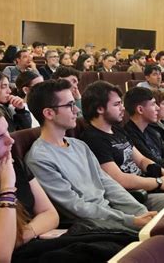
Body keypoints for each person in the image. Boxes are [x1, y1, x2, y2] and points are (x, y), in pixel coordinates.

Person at [25, 80, 155, 231]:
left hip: (115, 215)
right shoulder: (40, 159)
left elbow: (108, 184)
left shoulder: (79, 145)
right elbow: (75, 207)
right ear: (49, 113)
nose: (76, 111)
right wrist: (131, 221)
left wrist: (140, 213)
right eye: (69, 105)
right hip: (94, 226)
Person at [0, 101, 59, 261]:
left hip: (36, 247)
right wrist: (7, 188)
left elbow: (50, 214)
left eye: (7, 132)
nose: (11, 141)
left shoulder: (10, 160)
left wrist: (21, 235)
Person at [80, 81, 164, 210]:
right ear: (100, 109)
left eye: (121, 103)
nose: (123, 108)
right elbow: (119, 180)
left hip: (147, 185)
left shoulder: (117, 129)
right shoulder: (93, 139)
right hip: (135, 197)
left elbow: (141, 160)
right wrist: (159, 182)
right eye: (116, 104)